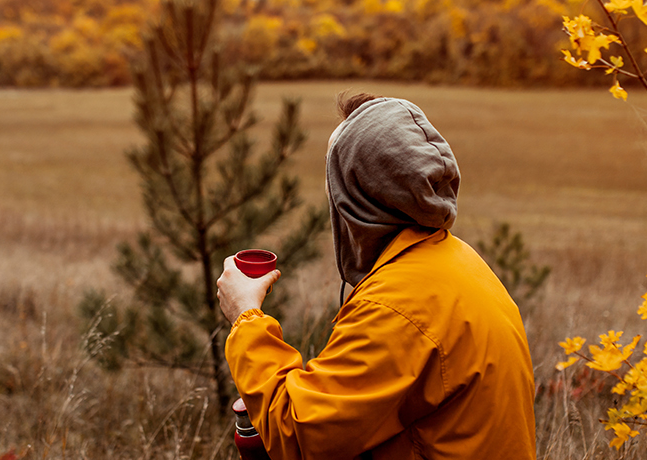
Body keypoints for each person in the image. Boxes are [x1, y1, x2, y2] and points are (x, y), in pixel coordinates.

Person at [216, 93, 536, 459]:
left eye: (335, 177)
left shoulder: (396, 307)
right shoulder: (459, 261)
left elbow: (299, 434)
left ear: (358, 196)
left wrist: (246, 317)